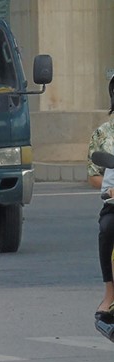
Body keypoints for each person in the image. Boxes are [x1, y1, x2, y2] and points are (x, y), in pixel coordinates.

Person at [91, 74, 114, 341]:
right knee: (108, 227)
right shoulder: (104, 133)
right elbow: (94, 172)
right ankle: (109, 292)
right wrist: (108, 189)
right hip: (113, 202)